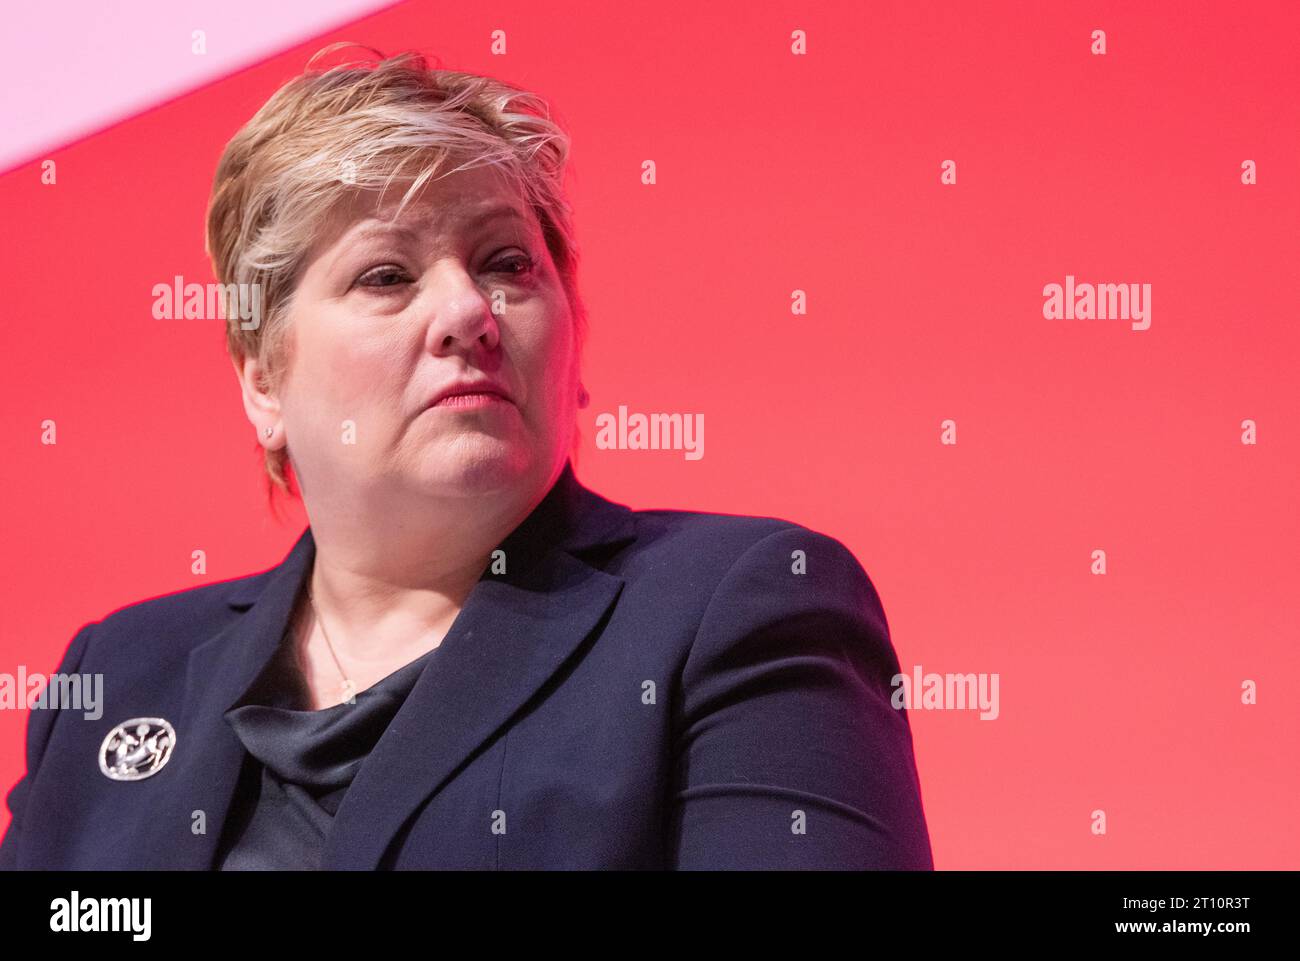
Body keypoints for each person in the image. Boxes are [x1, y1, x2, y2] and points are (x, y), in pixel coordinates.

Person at [0, 44, 933, 870]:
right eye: (386, 275)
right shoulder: (121, 673)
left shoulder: (738, 611)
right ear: (264, 381)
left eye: (507, 263)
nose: (467, 315)